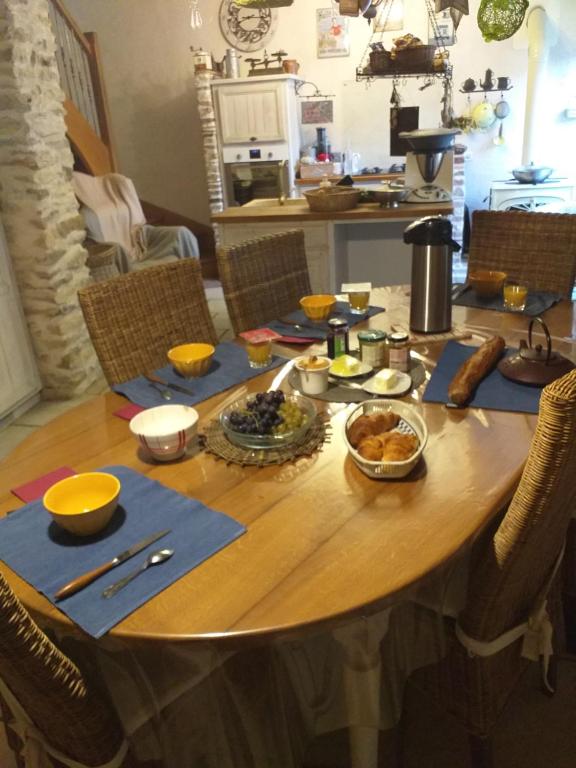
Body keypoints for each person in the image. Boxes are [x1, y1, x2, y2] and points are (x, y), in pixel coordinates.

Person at [72, 172, 199, 273]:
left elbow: (139, 230)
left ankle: (192, 279)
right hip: (124, 258)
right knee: (118, 250)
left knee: (182, 233)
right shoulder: (88, 215)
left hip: (144, 246)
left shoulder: (108, 208)